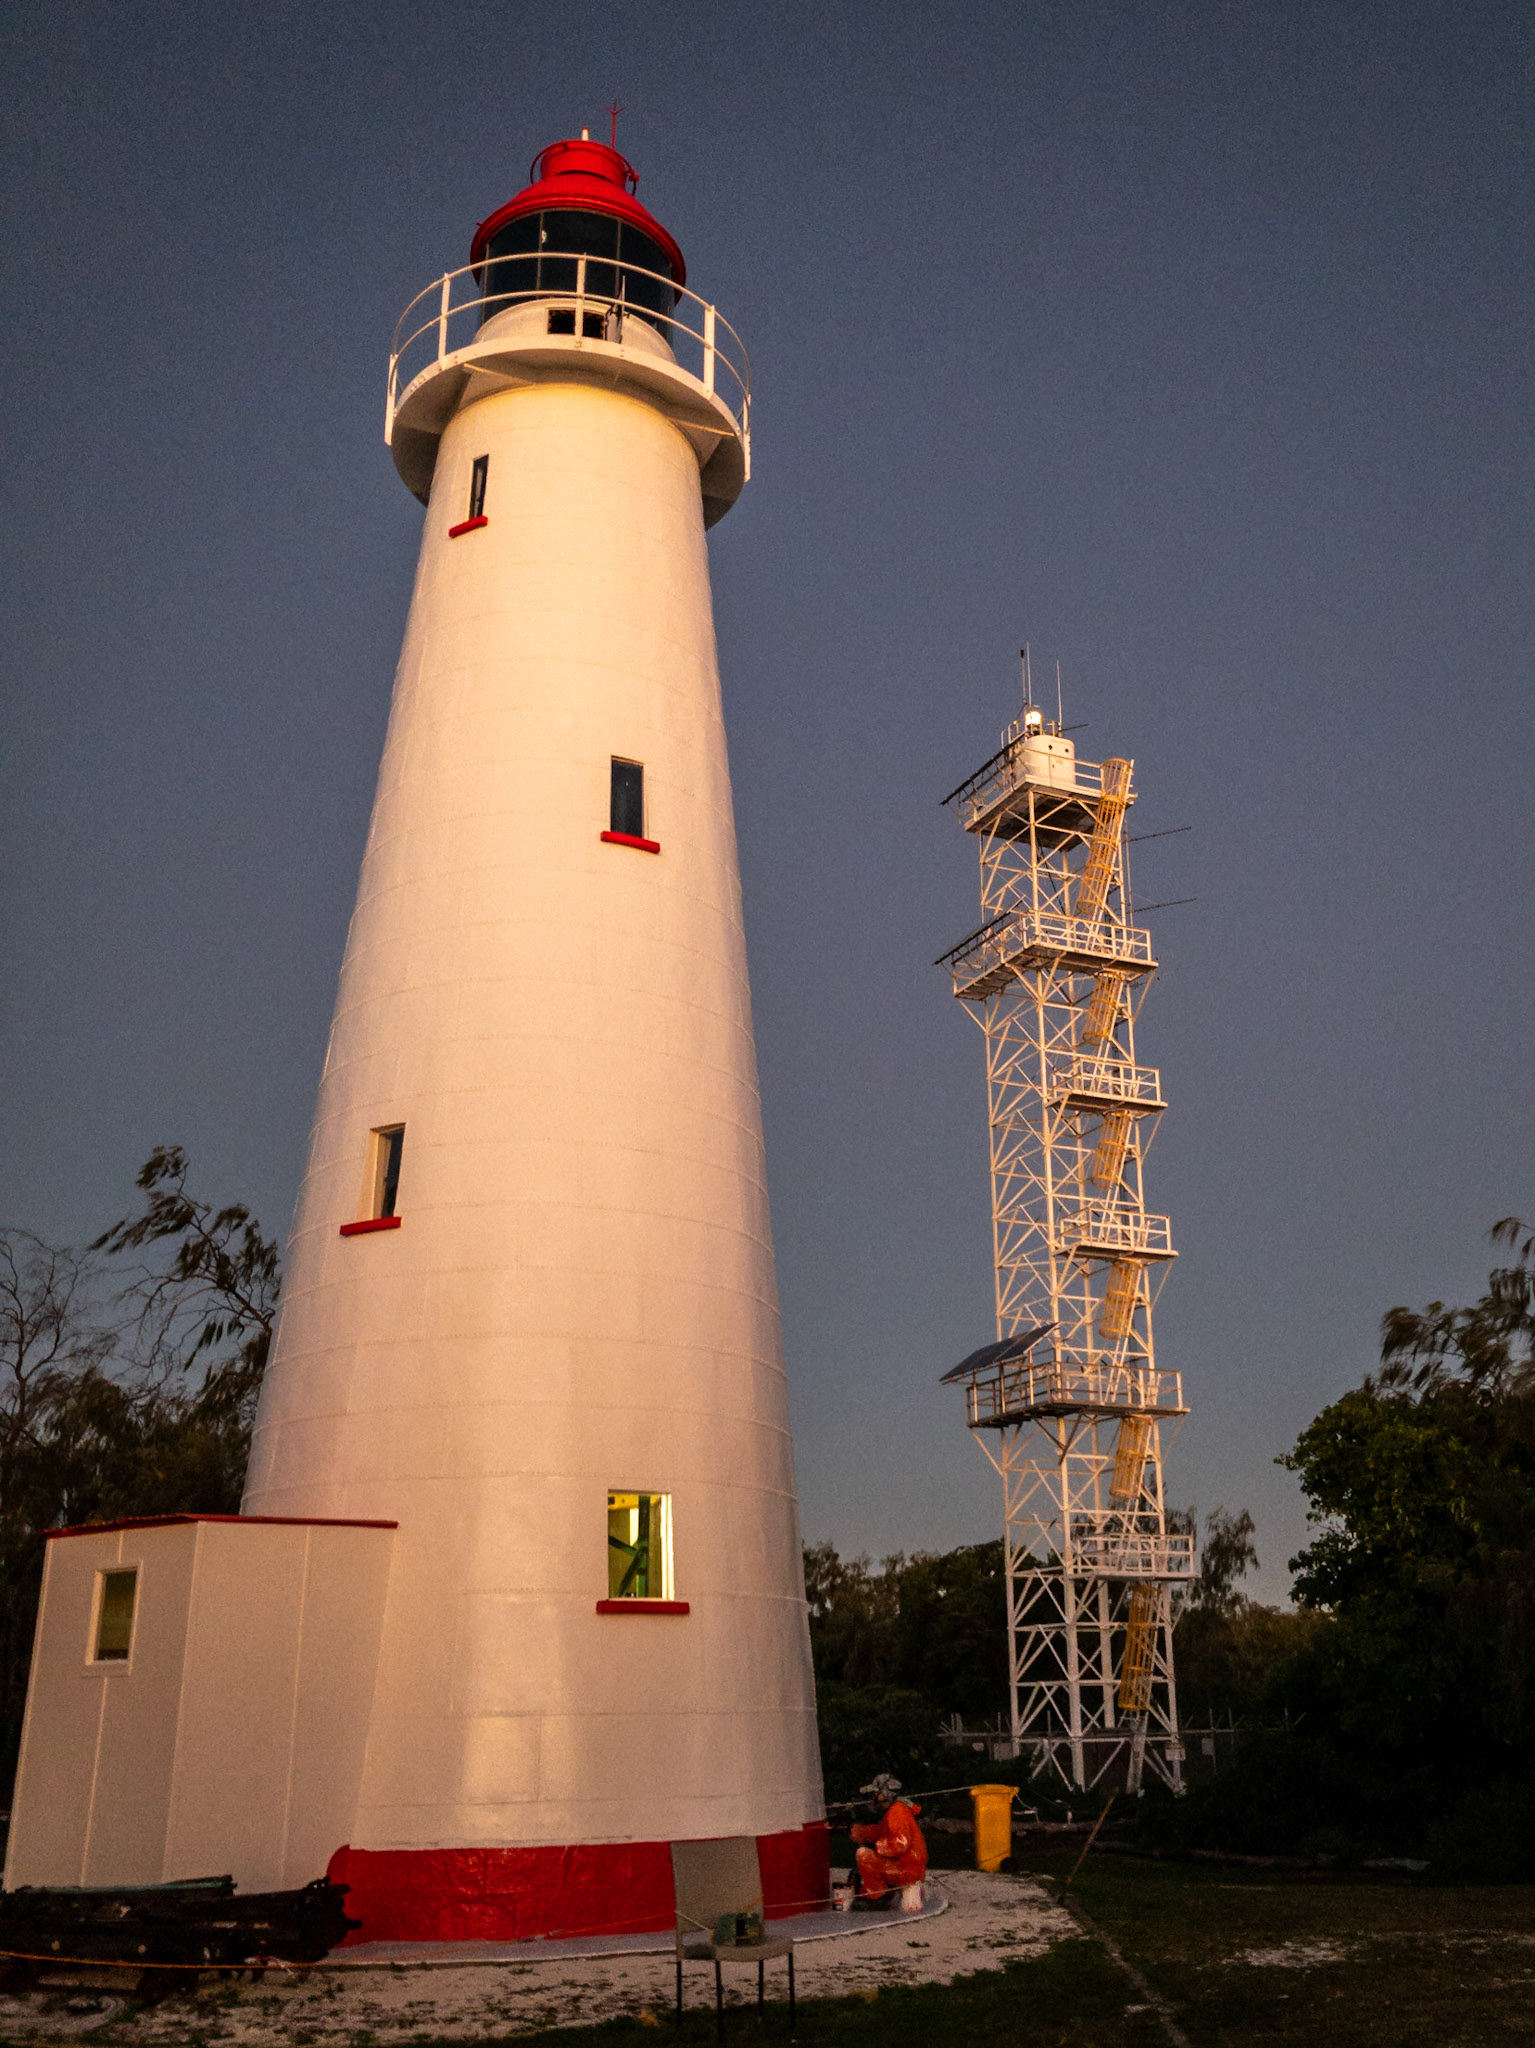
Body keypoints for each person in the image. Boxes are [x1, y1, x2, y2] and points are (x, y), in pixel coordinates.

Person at [850, 1773, 927, 1906]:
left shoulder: (896, 1813)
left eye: (876, 1794)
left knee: (863, 1855)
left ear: (884, 1795)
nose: (874, 1798)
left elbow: (899, 1844)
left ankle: (875, 1897)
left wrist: (877, 1846)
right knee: (871, 1856)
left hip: (907, 1869)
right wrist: (860, 1832)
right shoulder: (897, 1809)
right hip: (909, 1866)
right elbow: (882, 1830)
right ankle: (880, 1893)